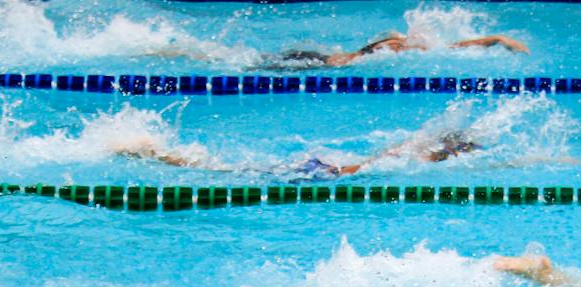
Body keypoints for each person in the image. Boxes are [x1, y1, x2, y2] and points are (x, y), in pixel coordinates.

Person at [113, 128, 482, 179]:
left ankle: (156, 153)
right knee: (224, 172)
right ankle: (154, 154)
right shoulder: (415, 158)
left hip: (321, 168)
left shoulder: (410, 152)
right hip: (322, 174)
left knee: (227, 169)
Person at [246, 31, 530, 70]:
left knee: (255, 62)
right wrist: (495, 39)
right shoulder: (394, 48)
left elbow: (452, 47)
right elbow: (456, 47)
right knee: (250, 66)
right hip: (314, 64)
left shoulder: (398, 46)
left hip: (317, 59)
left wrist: (496, 39)